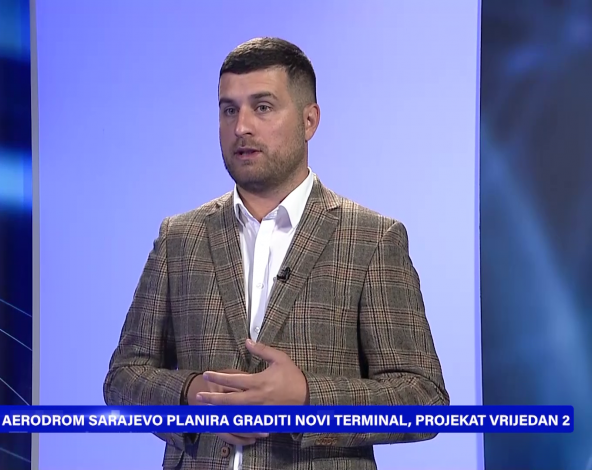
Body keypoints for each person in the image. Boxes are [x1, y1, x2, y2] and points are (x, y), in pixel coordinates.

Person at [103, 37, 449, 470]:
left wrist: (306, 398)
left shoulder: (372, 239)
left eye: (262, 107)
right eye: (229, 110)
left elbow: (423, 400)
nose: (241, 127)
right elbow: (123, 379)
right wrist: (192, 396)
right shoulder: (179, 238)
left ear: (309, 120)